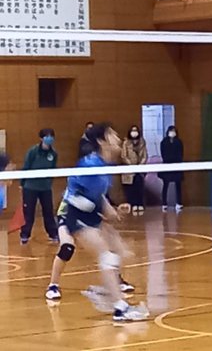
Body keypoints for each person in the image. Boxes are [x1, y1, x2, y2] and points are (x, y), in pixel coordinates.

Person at [60, 122, 148, 322]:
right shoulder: (89, 165)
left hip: (93, 215)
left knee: (122, 252)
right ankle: (120, 308)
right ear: (102, 141)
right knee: (106, 256)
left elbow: (99, 196)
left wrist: (114, 211)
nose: (118, 139)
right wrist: (94, 211)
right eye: (113, 135)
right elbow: (73, 194)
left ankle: (107, 293)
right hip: (77, 216)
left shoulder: (105, 166)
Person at [20, 128, 59, 245]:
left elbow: (53, 169)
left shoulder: (54, 153)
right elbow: (26, 167)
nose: (49, 138)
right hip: (30, 187)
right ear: (41, 138)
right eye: (47, 136)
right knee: (29, 213)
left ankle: (53, 234)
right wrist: (22, 184)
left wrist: (48, 183)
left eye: (51, 136)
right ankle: (25, 235)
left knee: (48, 212)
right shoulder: (33, 151)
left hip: (45, 188)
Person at [121, 125, 148, 215]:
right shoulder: (126, 143)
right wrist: (131, 165)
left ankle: (140, 204)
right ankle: (133, 204)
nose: (134, 132)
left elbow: (144, 156)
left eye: (136, 130)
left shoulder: (142, 142)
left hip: (139, 170)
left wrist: (140, 166)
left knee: (139, 187)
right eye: (132, 130)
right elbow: (124, 156)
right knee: (131, 189)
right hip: (129, 170)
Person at [160, 126, 184, 212]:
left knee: (178, 185)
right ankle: (164, 203)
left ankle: (179, 203)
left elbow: (181, 153)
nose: (172, 132)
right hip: (167, 165)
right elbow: (163, 153)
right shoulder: (164, 142)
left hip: (177, 165)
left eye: (174, 131)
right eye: (171, 131)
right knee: (165, 185)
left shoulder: (179, 142)